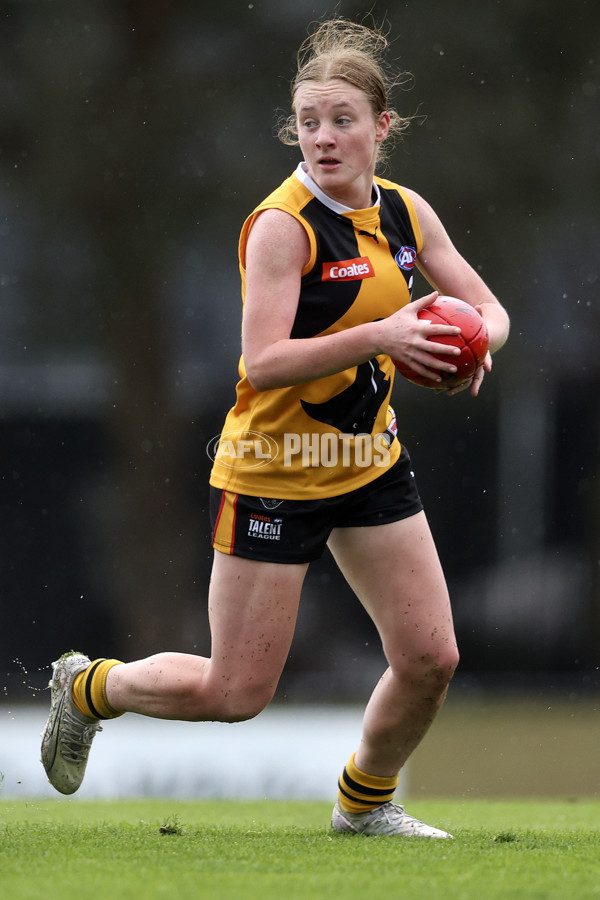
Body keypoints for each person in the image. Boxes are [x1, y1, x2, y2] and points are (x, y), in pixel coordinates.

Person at [41, 18, 509, 837]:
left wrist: (477, 345)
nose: (322, 139)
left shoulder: (405, 211)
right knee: (235, 695)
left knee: (432, 658)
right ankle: (88, 688)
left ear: (381, 127)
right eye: (308, 122)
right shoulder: (283, 226)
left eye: (341, 120)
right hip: (274, 469)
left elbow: (491, 310)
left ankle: (364, 807)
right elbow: (263, 362)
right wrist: (385, 336)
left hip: (365, 461)